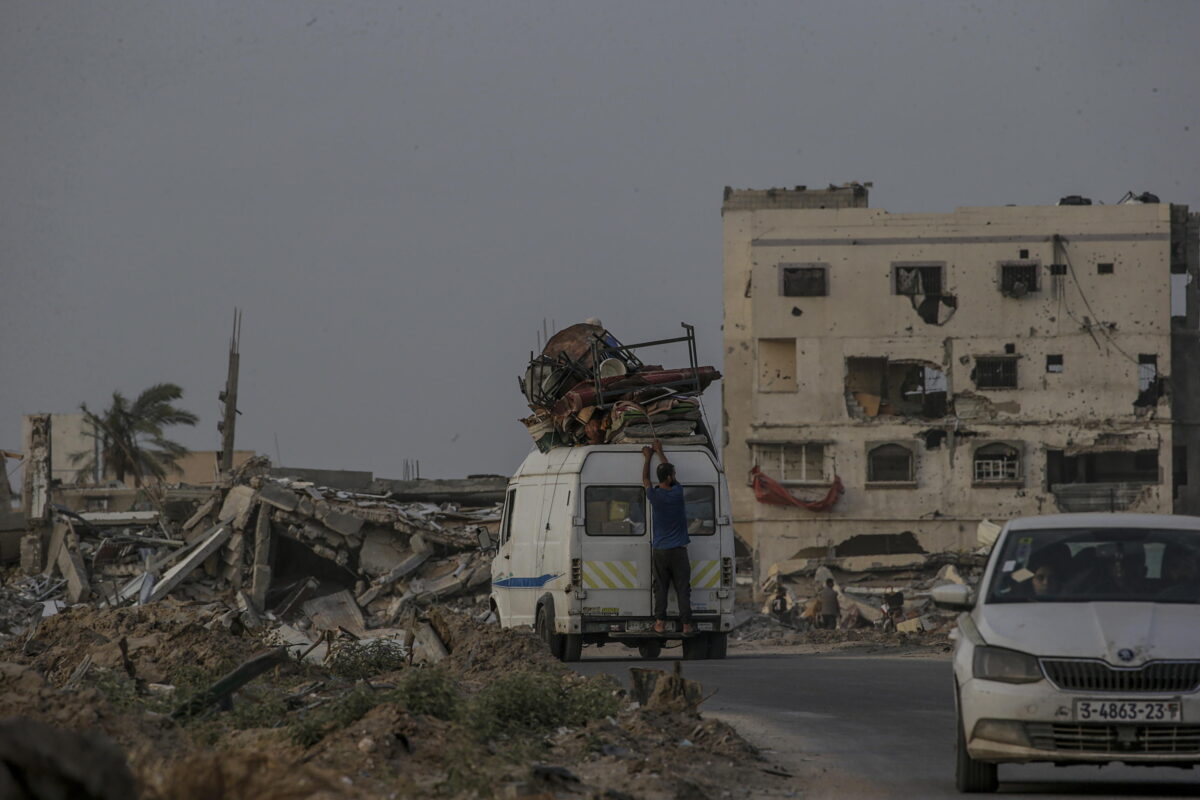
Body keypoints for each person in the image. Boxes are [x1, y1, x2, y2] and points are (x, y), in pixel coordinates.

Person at [642, 439, 693, 635]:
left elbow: (646, 480)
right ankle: (687, 625)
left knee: (660, 588)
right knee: (683, 588)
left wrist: (647, 458)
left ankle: (660, 624)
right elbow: (669, 474)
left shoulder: (655, 496)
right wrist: (660, 452)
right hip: (679, 551)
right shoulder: (677, 493)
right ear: (671, 477)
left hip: (661, 551)